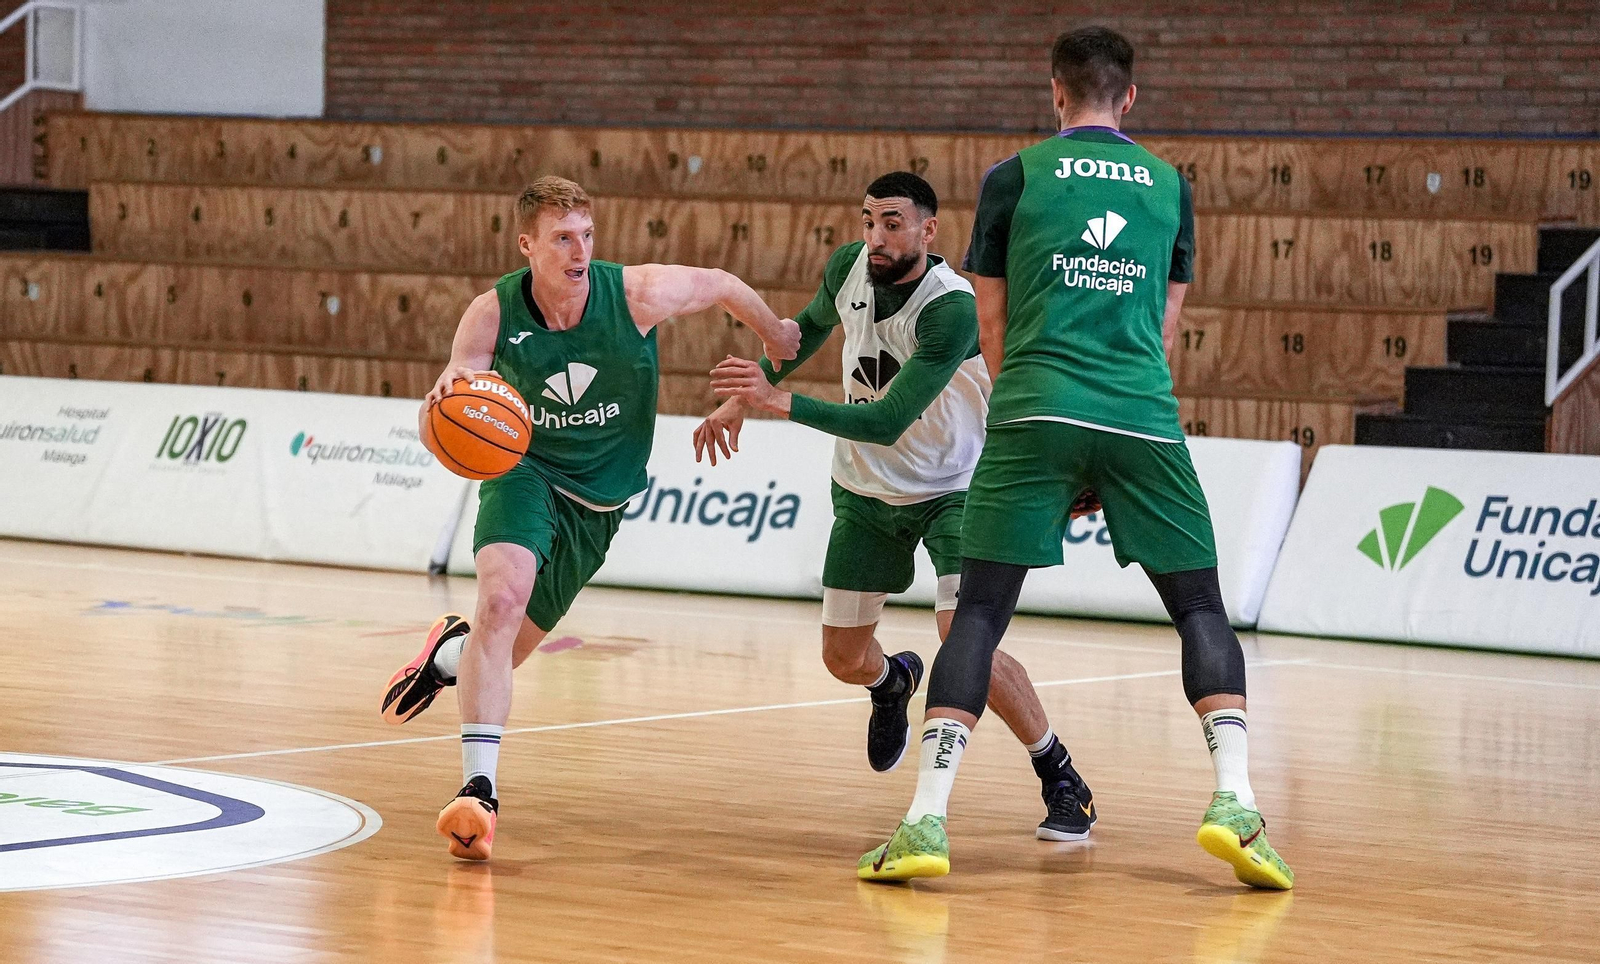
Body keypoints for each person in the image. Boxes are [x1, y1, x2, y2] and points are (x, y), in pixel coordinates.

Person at [857, 27, 1294, 890]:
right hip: (1140, 414)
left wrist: (1042, 435)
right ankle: (1235, 801)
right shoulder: (1171, 185)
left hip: (1034, 408)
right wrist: (1110, 451)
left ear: (1055, 92)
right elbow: (1166, 330)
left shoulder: (1014, 177)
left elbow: (991, 323)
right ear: (1128, 97)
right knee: (1201, 608)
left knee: (977, 614)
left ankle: (924, 821)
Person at [379, 175, 801, 861]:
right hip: (524, 471)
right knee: (502, 598)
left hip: (599, 503)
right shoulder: (490, 313)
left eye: (587, 235)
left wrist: (776, 332)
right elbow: (450, 398)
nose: (578, 250)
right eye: (561, 238)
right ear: (528, 245)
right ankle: (478, 795)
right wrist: (440, 420)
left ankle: (447, 654)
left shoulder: (634, 294)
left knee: (502, 650)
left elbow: (721, 281)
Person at [696, 172, 1096, 842]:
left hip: (956, 490)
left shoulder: (951, 308)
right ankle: (890, 682)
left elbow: (887, 420)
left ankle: (1060, 774)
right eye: (867, 221)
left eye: (891, 223)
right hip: (863, 489)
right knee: (842, 657)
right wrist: (746, 395)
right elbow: (803, 336)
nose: (875, 236)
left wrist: (778, 404)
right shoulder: (849, 267)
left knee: (963, 638)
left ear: (927, 230)